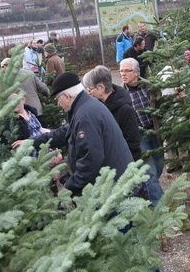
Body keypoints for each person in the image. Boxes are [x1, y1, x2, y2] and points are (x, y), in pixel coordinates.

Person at [13, 72, 133, 196]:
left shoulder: (85, 115)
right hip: (111, 180)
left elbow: (91, 159)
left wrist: (71, 186)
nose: (58, 104)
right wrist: (32, 142)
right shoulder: (84, 106)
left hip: (111, 187)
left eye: (57, 99)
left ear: (67, 96)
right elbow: (63, 132)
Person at [120, 58, 164, 206]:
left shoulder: (150, 87)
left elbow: (161, 104)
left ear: (136, 73)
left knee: (158, 166)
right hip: (139, 136)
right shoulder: (120, 94)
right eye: (121, 71)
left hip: (155, 131)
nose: (123, 74)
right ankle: (160, 206)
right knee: (149, 171)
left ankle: (146, 193)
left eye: (127, 71)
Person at [81, 66, 141, 160]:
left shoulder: (125, 110)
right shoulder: (97, 107)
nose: (88, 93)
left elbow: (133, 144)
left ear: (101, 88)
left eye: (90, 89)